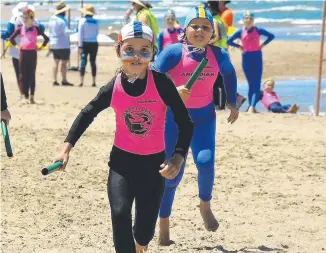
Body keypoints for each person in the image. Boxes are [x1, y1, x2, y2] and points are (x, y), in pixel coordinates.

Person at [51, 21, 194, 253]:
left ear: (152, 54)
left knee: (144, 232)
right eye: (129, 50)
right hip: (121, 164)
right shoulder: (113, 87)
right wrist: (66, 148)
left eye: (144, 51)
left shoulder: (161, 84)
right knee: (119, 214)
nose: (136, 56)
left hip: (154, 166)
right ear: (119, 51)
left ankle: (141, 245)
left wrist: (178, 158)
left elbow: (185, 123)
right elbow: (88, 113)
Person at [152, 5, 239, 245]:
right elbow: (152, 78)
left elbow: (229, 75)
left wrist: (232, 102)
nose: (200, 31)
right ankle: (164, 228)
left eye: (205, 27)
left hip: (203, 119)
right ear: (185, 29)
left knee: (205, 163)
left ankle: (205, 205)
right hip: (173, 120)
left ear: (212, 32)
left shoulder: (218, 54)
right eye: (195, 26)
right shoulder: (173, 53)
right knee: (171, 175)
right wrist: (172, 93)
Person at [227, 11, 275, 113]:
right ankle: (251, 106)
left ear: (253, 20)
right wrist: (239, 46)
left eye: (250, 18)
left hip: (257, 56)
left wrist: (263, 44)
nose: (248, 20)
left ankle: (252, 106)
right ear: (243, 20)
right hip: (246, 58)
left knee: (256, 84)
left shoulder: (258, 30)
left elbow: (271, 36)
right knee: (251, 84)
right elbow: (229, 41)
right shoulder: (240, 31)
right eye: (246, 18)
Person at [205, 1, 246, 110]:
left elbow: (217, 37)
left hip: (216, 53)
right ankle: (223, 104)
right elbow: (225, 36)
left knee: (214, 80)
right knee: (221, 80)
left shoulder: (214, 20)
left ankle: (218, 105)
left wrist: (205, 43)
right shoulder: (220, 19)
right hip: (223, 51)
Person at [1, 2, 45, 99]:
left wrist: (2, 35)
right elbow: (42, 29)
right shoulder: (34, 19)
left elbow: (8, 33)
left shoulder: (14, 19)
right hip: (31, 50)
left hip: (17, 50)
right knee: (30, 73)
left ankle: (23, 94)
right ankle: (29, 94)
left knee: (20, 74)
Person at [9, 8, 49, 104]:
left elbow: (46, 38)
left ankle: (32, 97)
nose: (25, 20)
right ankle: (24, 96)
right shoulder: (20, 28)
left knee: (31, 75)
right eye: (24, 18)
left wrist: (41, 47)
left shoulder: (36, 29)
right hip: (23, 53)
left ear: (32, 18)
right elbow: (11, 38)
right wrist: (17, 46)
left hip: (32, 54)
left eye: (27, 18)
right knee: (22, 75)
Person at [48, 1, 74, 86]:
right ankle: (64, 80)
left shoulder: (52, 19)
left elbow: (50, 31)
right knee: (64, 63)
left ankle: (54, 80)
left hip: (53, 43)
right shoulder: (63, 20)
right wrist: (74, 31)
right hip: (63, 44)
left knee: (55, 62)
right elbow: (66, 32)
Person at [78, 4, 99, 87]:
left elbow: (80, 35)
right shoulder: (96, 21)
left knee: (83, 61)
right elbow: (97, 33)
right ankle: (94, 81)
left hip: (85, 43)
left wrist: (80, 46)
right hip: (94, 43)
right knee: (93, 62)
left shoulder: (82, 21)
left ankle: (81, 81)